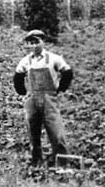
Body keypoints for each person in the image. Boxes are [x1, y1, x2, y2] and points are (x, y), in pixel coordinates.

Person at [13, 29, 74, 167]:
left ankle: (62, 163)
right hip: (32, 100)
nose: (34, 46)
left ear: (43, 42)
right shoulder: (25, 61)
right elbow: (17, 77)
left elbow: (68, 72)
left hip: (49, 100)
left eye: (36, 42)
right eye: (31, 43)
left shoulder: (53, 58)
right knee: (33, 133)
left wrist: (61, 89)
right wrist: (22, 91)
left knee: (56, 133)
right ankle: (37, 162)